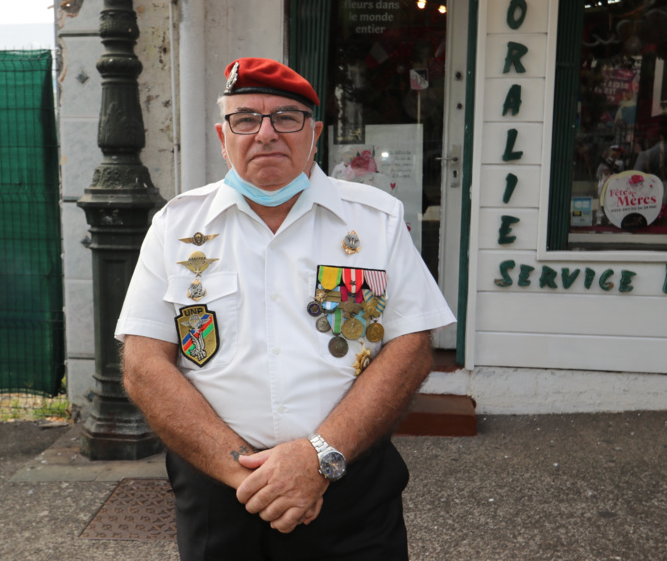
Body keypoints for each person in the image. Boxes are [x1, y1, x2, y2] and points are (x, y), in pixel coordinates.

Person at [114, 57, 455, 561]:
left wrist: (317, 461)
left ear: (314, 134)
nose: (267, 133)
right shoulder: (176, 227)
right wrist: (254, 478)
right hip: (221, 495)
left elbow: (411, 347)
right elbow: (144, 366)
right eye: (246, 118)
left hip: (349, 490)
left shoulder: (375, 222)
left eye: (286, 118)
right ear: (221, 135)